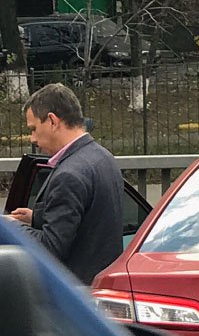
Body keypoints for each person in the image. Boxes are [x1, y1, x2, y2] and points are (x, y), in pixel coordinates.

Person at [7, 83, 123, 283]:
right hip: (100, 286)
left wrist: (9, 228)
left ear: (52, 121)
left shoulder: (69, 174)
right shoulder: (103, 157)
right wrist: (36, 218)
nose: (32, 138)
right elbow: (88, 221)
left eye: (34, 129)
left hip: (75, 293)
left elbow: (51, 248)